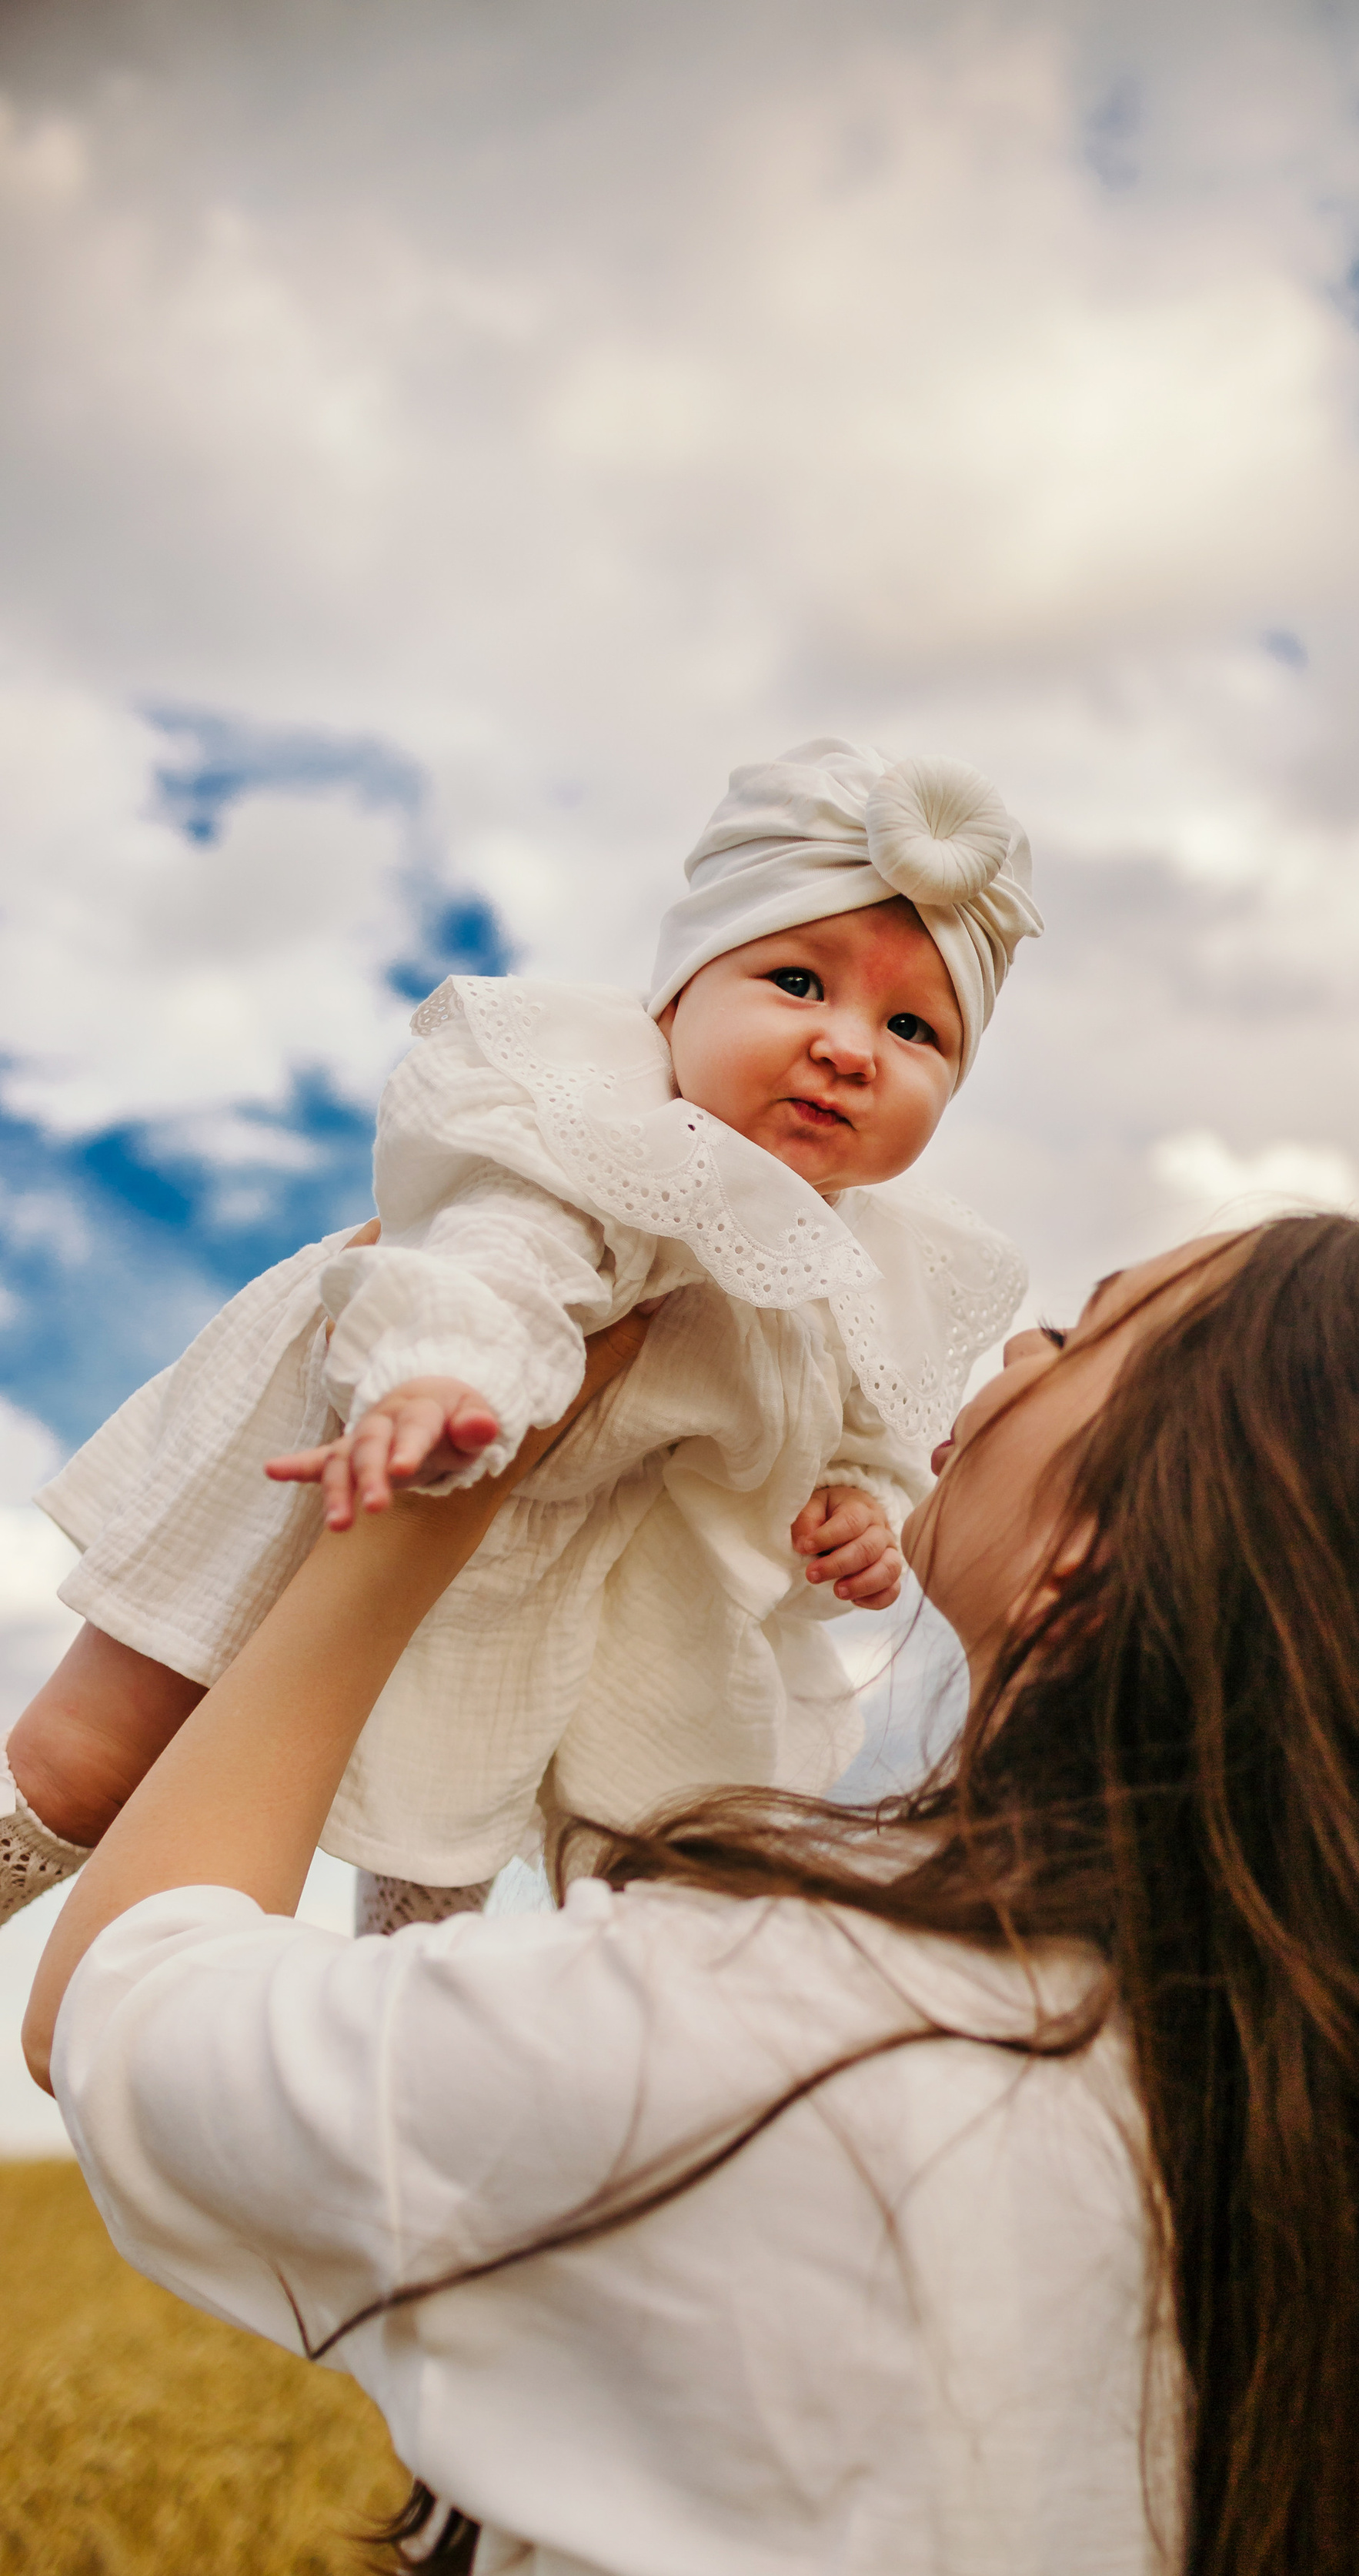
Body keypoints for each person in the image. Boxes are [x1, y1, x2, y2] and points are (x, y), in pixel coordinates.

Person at [25, 1211, 1359, 2576]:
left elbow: (119, 2001)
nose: (1009, 1356)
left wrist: (428, 1519)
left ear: (1097, 1558)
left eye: (1080, 1336)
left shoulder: (779, 2043)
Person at [0, 738, 1038, 1940]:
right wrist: (441, 1378)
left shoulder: (877, 1264)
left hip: (572, 1565)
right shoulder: (599, 1137)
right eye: (799, 983)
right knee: (93, 1759)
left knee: (449, 1853)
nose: (850, 1048)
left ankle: (394, 2025)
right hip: (368, 1443)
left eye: (914, 1029)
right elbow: (495, 1264)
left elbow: (868, 1426)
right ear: (677, 996)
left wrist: (859, 1508)